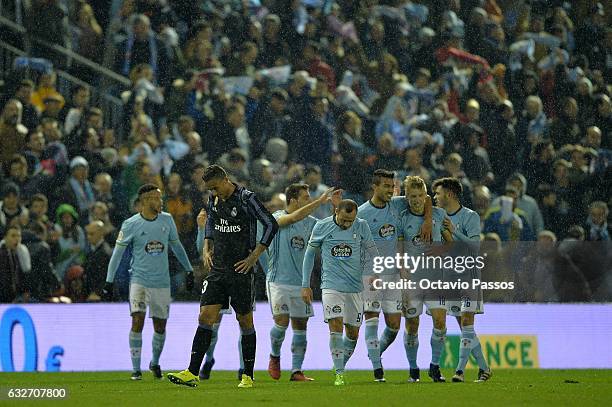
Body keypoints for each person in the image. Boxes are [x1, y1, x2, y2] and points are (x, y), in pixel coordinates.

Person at [167, 165, 278, 389]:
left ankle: (247, 375)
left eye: (215, 187)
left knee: (244, 321)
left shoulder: (247, 199)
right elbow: (210, 220)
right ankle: (192, 372)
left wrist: (254, 256)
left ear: (225, 179)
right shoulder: (213, 198)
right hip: (218, 270)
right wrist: (207, 246)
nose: (213, 192)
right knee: (205, 317)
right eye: (210, 189)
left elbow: (270, 224)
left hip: (241, 270)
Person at [103, 184, 194, 381]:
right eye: (155, 198)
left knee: (160, 326)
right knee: (137, 319)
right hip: (139, 280)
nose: (160, 202)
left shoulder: (167, 220)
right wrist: (109, 281)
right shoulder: (131, 224)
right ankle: (136, 369)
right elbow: (117, 254)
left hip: (161, 282)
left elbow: (176, 246)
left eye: (160, 198)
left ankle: (154, 362)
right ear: (144, 201)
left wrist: (189, 270)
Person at [357, 169, 432, 382]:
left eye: (392, 186)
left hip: (394, 274)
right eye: (386, 186)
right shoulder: (362, 213)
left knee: (394, 326)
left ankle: (374, 353)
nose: (390, 190)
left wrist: (427, 220)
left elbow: (426, 199)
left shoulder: (397, 204)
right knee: (372, 319)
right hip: (370, 275)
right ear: (375, 187)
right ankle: (377, 369)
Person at [301, 199, 379, 386]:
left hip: (355, 287)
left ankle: (340, 364)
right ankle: (339, 373)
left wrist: (376, 273)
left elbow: (372, 250)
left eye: (350, 221)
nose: (347, 225)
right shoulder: (322, 226)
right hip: (331, 285)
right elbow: (309, 254)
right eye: (344, 220)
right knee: (335, 325)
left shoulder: (361, 226)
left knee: (353, 334)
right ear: (336, 211)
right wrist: (305, 284)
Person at [266, 183, 334, 382]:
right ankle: (274, 356)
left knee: (300, 326)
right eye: (306, 197)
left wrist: (335, 208)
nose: (309, 200)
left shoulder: (312, 223)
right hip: (278, 281)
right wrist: (320, 201)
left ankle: (296, 371)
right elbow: (294, 217)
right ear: (293, 200)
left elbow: (332, 227)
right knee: (281, 322)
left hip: (300, 284)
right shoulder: (277, 217)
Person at [432, 177, 493, 383]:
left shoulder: (470, 216)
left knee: (467, 322)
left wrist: (455, 231)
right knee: (463, 325)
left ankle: (459, 371)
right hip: (449, 275)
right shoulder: (437, 217)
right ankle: (484, 369)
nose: (435, 197)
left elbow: (475, 247)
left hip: (468, 273)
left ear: (449, 194)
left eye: (438, 193)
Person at [398, 176, 448, 383]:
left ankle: (435, 366)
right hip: (413, 280)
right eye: (412, 196)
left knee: (440, 321)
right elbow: (399, 247)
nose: (416, 200)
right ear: (406, 197)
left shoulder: (439, 214)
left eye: (420, 196)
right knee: (412, 325)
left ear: (426, 196)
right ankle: (413, 369)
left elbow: (449, 242)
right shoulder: (402, 217)